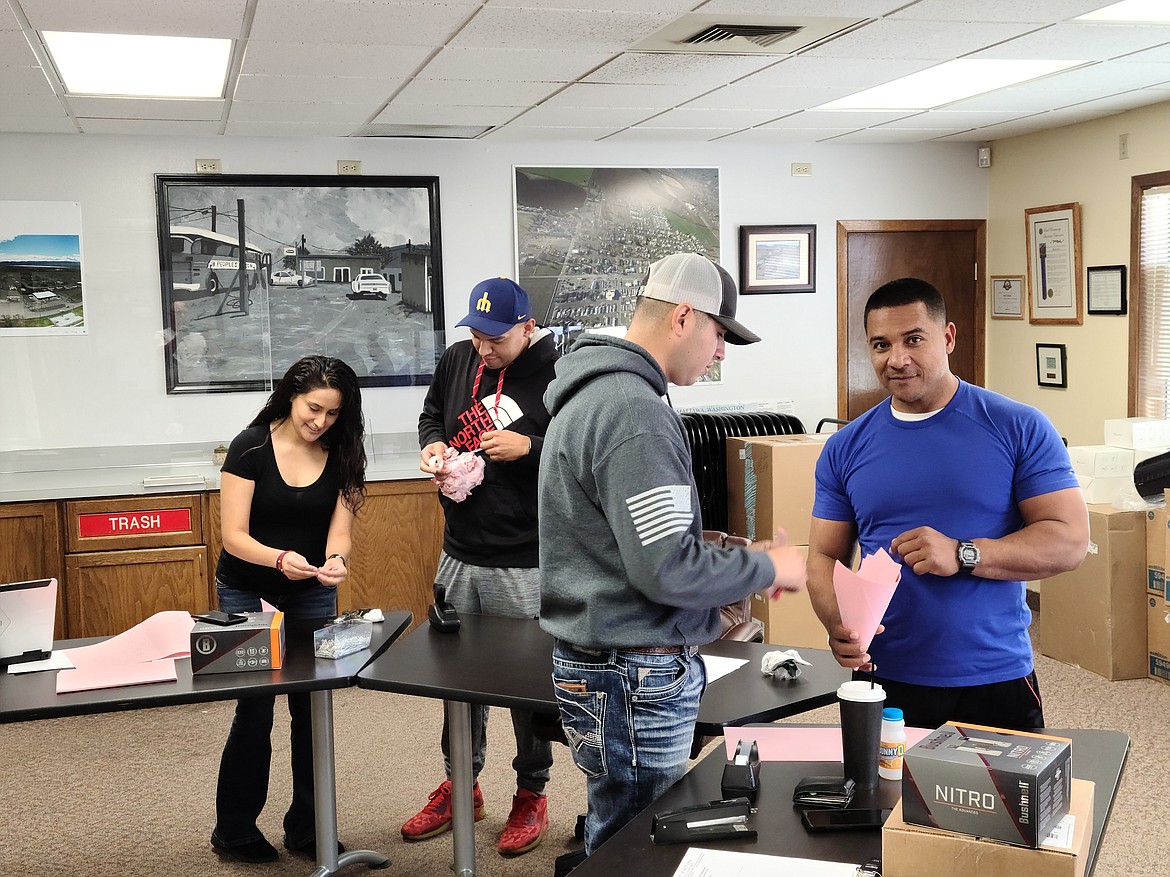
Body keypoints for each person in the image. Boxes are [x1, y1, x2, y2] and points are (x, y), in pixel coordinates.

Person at [538, 252, 806, 856]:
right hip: (635, 674)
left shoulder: (592, 393)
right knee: (642, 847)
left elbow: (624, 541)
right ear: (683, 317)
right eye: (718, 334)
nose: (720, 353)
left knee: (614, 828)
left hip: (601, 665)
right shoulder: (634, 412)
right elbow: (666, 569)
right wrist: (769, 567)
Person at [807, 277, 1088, 731]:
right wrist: (838, 622)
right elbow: (823, 554)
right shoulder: (844, 447)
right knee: (885, 803)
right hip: (885, 676)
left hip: (994, 675)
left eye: (913, 339)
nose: (897, 359)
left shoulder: (1018, 426)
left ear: (948, 337)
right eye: (881, 345)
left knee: (1005, 804)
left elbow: (1070, 542)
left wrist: (962, 554)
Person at [405, 276, 559, 856]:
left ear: (527, 325)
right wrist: (432, 447)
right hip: (459, 554)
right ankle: (460, 784)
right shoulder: (457, 360)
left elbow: (580, 454)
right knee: (458, 685)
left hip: (527, 562)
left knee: (526, 688)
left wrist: (531, 449)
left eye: (495, 337)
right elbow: (429, 415)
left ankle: (531, 792)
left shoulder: (558, 373)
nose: (484, 347)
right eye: (476, 333)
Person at [210, 355, 366, 864]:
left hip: (312, 593)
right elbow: (232, 537)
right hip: (247, 590)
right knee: (254, 710)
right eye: (312, 408)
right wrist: (279, 560)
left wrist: (337, 561)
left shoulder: (344, 453)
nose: (319, 421)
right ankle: (233, 829)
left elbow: (339, 534)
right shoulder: (249, 447)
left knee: (312, 709)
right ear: (290, 397)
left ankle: (307, 827)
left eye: (332, 413)